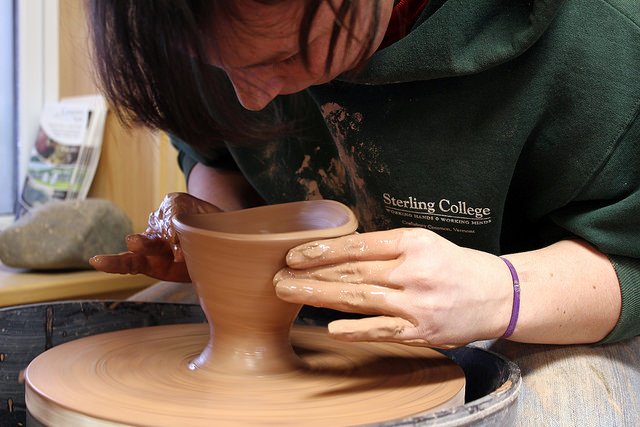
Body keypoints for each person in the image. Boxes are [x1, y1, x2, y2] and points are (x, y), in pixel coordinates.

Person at [87, 0, 640, 350]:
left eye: (283, 56)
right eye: (213, 65)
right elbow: (217, 160)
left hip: (538, 322)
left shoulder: (602, 39)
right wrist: (217, 235)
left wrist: (500, 294)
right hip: (288, 310)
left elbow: (629, 258)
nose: (249, 100)